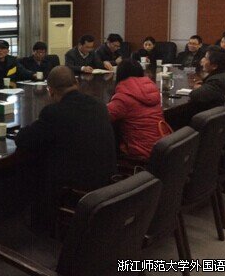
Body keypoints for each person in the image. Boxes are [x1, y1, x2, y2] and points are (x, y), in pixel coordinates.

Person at [15, 65, 116, 228]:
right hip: (106, 182)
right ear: (76, 83)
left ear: (50, 91)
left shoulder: (54, 112)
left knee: (33, 166)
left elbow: (24, 140)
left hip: (75, 189)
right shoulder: (99, 105)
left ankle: (36, 224)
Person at [107, 59, 165, 159]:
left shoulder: (124, 97)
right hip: (161, 147)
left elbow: (101, 116)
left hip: (141, 152)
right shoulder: (153, 90)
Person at [189, 46, 225, 111]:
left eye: (205, 58)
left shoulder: (216, 81)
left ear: (214, 66)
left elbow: (194, 95)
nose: (202, 60)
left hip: (220, 115)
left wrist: (199, 88)